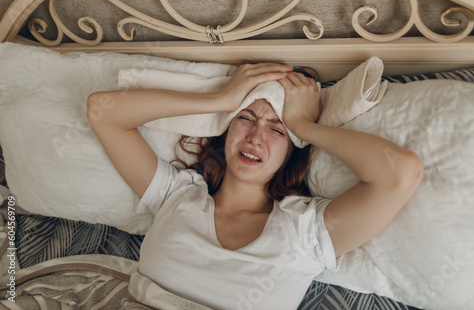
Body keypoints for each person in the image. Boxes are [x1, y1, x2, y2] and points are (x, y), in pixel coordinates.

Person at [87, 63, 423, 310]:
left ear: (293, 149)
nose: (255, 137)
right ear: (226, 130)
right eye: (246, 119)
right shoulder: (176, 194)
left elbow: (400, 172)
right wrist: (221, 100)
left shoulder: (305, 232)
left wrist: (304, 126)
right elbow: (103, 113)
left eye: (277, 130)